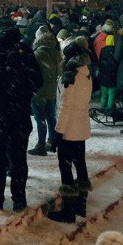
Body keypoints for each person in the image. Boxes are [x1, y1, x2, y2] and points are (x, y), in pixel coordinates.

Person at [0, 18, 42, 212]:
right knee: (18, 157)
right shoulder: (25, 51)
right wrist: (24, 94)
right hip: (20, 112)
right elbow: (37, 80)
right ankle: (19, 199)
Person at [47, 42, 92, 223]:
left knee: (65, 167)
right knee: (80, 163)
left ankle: (68, 210)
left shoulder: (70, 76)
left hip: (69, 129)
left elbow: (66, 106)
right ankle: (81, 203)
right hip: (81, 126)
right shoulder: (86, 73)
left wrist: (58, 132)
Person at [29, 25, 62, 156]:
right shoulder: (55, 51)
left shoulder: (39, 53)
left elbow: (35, 73)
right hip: (51, 90)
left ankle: (41, 145)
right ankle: (53, 141)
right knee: (51, 117)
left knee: (40, 119)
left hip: (40, 91)